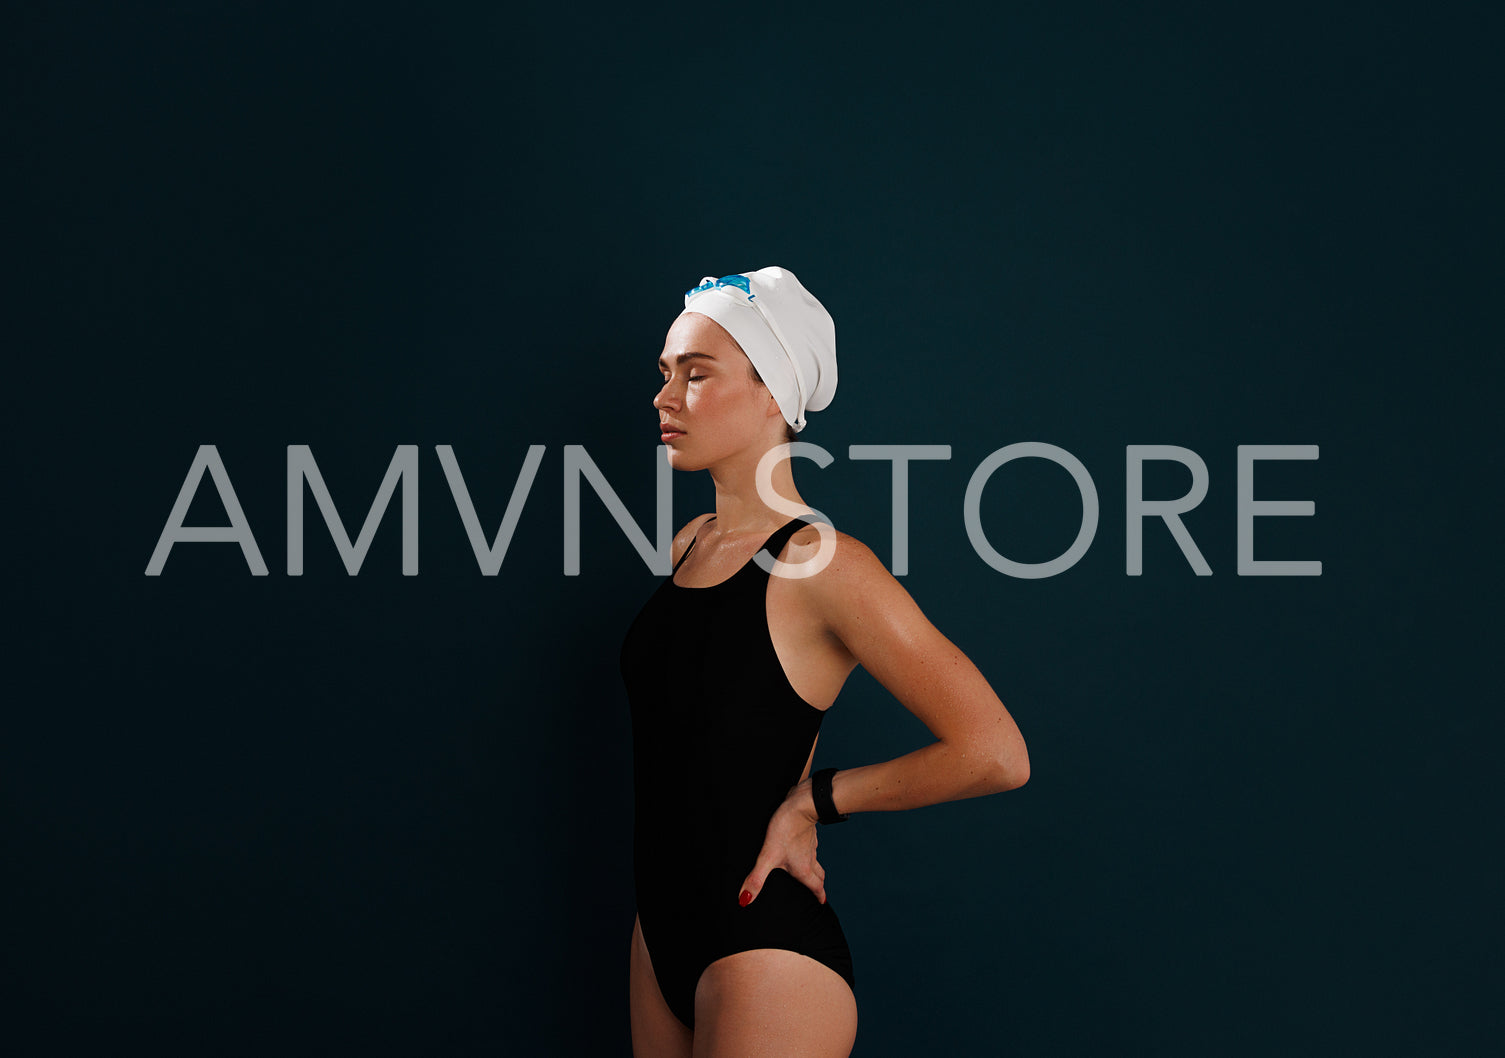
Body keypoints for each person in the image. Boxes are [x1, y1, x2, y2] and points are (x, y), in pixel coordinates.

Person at [619, 267, 1029, 1058]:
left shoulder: (823, 564)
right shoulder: (688, 546)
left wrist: (815, 801)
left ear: (772, 394)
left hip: (764, 951)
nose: (664, 398)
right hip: (657, 934)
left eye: (696, 375)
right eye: (665, 374)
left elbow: (995, 752)